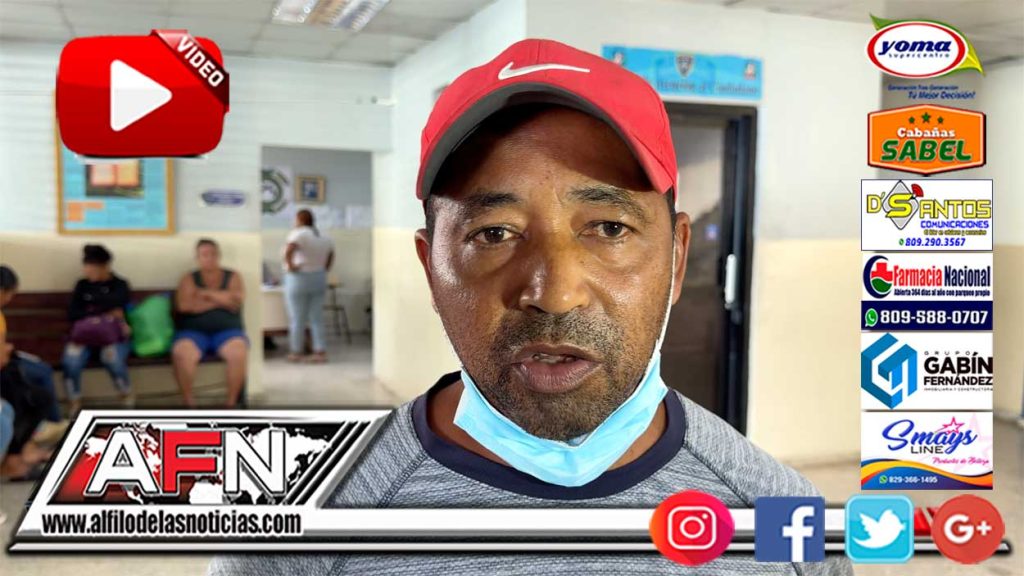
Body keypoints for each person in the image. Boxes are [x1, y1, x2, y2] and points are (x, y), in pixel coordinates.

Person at [211, 40, 851, 575]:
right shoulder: (303, 528)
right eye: (494, 233)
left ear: (678, 258)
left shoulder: (779, 521)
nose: (554, 292)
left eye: (609, 228)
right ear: (431, 270)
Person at [172, 238, 247, 407]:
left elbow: (237, 300)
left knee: (239, 351)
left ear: (219, 255)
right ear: (197, 258)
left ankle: (230, 405)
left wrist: (204, 294)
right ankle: (189, 404)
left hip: (228, 331)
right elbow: (185, 306)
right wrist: (223, 300)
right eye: (204, 255)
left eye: (213, 254)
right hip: (193, 332)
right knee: (182, 352)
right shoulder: (189, 278)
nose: (209, 258)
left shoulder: (233, 276)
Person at [62, 244, 133, 414]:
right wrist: (102, 312)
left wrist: (91, 305)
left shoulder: (120, 285)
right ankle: (74, 401)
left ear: (105, 267)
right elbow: (72, 313)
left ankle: (126, 395)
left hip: (112, 336)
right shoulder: (82, 285)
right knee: (71, 361)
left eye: (92, 268)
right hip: (84, 336)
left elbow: (119, 303)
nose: (87, 271)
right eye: (86, 267)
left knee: (112, 359)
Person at [282, 209, 335, 362]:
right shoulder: (324, 236)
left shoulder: (298, 234)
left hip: (299, 278)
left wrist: (290, 265)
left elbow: (289, 249)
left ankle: (296, 352)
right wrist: (324, 268)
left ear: (299, 220)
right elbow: (331, 254)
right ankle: (320, 352)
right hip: (319, 277)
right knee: (317, 317)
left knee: (297, 318)